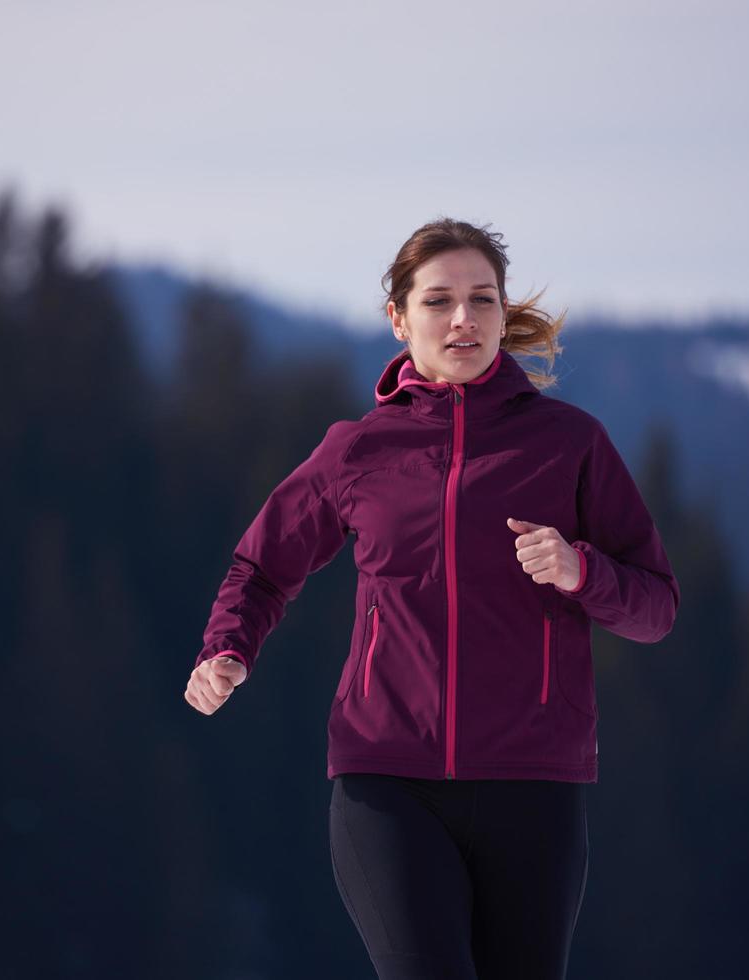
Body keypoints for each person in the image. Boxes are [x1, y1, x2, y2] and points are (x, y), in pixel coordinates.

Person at [184, 219, 679, 979]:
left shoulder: (568, 444)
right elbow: (262, 566)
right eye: (440, 299)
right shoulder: (358, 450)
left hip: (532, 783)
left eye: (482, 299)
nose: (463, 319)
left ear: (503, 313)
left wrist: (583, 572)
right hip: (386, 782)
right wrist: (227, 648)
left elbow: (655, 607)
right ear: (398, 317)